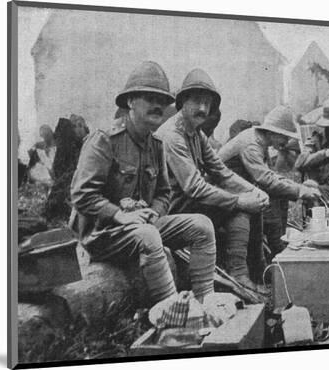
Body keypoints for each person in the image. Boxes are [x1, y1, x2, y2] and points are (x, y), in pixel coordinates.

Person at [70, 61, 218, 308]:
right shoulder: (105, 140)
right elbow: (81, 195)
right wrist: (119, 215)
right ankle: (172, 312)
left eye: (162, 100)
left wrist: (155, 212)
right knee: (149, 235)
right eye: (149, 98)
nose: (158, 105)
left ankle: (207, 301)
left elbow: (164, 193)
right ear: (130, 102)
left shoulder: (156, 144)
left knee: (202, 225)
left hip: (140, 228)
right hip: (102, 235)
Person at [156, 68, 270, 294]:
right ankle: (239, 275)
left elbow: (221, 171)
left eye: (207, 104)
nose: (203, 109)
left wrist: (254, 191)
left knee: (252, 201)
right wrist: (239, 201)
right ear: (183, 102)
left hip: (189, 203)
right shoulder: (172, 135)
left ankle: (259, 272)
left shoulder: (196, 134)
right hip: (171, 209)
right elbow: (194, 187)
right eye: (197, 102)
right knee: (241, 207)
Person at [218, 106, 321, 256]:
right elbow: (266, 180)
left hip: (240, 188)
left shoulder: (261, 140)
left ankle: (277, 246)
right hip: (224, 192)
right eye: (284, 137)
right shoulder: (252, 145)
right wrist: (300, 191)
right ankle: (277, 250)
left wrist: (299, 187)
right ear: (273, 132)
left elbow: (270, 175)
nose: (286, 142)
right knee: (271, 198)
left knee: (279, 196)